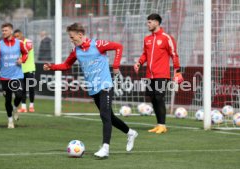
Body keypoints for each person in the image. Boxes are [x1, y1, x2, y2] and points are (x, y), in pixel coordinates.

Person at [43, 23, 138, 158]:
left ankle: (105, 148)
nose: (71, 40)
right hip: (93, 88)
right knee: (109, 117)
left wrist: (116, 65)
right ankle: (130, 133)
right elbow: (66, 65)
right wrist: (52, 67)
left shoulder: (98, 44)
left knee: (104, 116)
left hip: (106, 85)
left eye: (72, 37)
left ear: (80, 35)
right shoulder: (76, 51)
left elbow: (118, 47)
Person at [134, 13, 184, 134]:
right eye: (147, 22)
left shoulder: (167, 38)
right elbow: (145, 54)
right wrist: (139, 63)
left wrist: (177, 70)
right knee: (153, 99)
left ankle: (163, 125)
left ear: (156, 22)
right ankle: (158, 124)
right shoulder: (147, 39)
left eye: (150, 22)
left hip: (162, 74)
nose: (148, 24)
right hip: (149, 75)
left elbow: (174, 54)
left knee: (159, 97)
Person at [0, 23, 28, 129]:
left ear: (11, 31)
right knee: (7, 100)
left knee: (19, 95)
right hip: (4, 77)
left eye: (6, 30)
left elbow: (26, 53)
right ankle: (10, 121)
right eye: (2, 31)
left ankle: (15, 107)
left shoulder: (19, 43)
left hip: (17, 75)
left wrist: (22, 60)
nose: (3, 32)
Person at [14, 29, 36, 113]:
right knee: (22, 89)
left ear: (21, 35)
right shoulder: (16, 45)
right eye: (15, 37)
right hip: (21, 70)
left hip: (30, 69)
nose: (16, 38)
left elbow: (26, 50)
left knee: (31, 88)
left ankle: (31, 105)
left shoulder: (28, 42)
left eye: (18, 36)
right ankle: (23, 107)